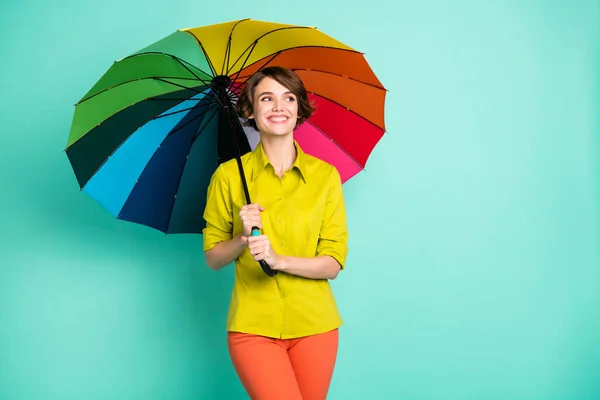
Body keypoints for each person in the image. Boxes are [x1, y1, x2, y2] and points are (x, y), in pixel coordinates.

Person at [202, 66, 348, 400]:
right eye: (266, 98)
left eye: (288, 97)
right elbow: (212, 258)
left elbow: (332, 263)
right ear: (251, 110)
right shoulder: (227, 177)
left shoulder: (326, 177)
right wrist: (241, 237)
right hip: (253, 327)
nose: (278, 106)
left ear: (299, 109)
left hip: (316, 325)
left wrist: (278, 260)